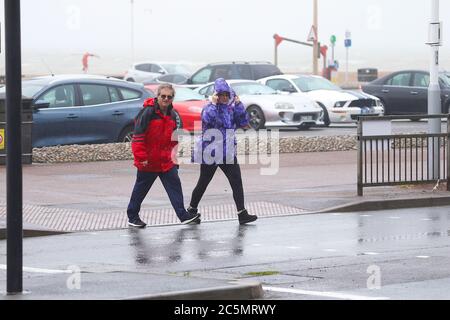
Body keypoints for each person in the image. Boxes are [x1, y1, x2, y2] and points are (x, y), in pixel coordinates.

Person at [127, 83, 201, 228]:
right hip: (149, 161)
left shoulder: (173, 114)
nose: (166, 99)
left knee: (175, 186)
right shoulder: (147, 113)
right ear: (158, 96)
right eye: (163, 96)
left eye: (169, 97)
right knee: (140, 190)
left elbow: (174, 139)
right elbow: (138, 137)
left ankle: (183, 216)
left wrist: (174, 159)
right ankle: (132, 216)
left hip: (166, 161)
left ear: (172, 98)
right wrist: (141, 158)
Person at [188, 78, 258, 225]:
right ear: (216, 95)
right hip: (211, 152)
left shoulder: (231, 109)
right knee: (203, 182)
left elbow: (243, 122)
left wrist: (238, 104)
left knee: (236, 181)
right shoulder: (209, 108)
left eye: (227, 94)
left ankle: (242, 213)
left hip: (228, 152)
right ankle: (191, 210)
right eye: (221, 95)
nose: (224, 97)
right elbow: (208, 119)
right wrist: (213, 104)